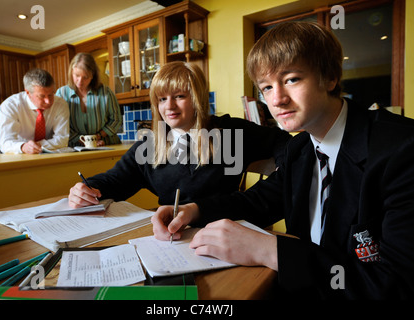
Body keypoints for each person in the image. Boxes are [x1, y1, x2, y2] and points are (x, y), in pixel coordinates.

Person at [152, 22, 414, 299]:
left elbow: (397, 283)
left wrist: (267, 249)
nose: (277, 99)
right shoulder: (299, 149)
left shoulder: (402, 149)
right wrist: (194, 210)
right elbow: (258, 202)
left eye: (291, 79)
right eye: (266, 87)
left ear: (329, 77)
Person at [68, 61, 291, 210]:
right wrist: (86, 188)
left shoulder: (229, 132)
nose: (169, 107)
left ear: (197, 97)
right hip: (169, 235)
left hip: (222, 230)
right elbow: (115, 180)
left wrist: (283, 168)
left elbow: (284, 142)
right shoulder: (151, 145)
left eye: (179, 96)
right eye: (162, 99)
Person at [56, 52, 122, 147]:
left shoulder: (106, 92)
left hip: (106, 144)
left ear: (92, 75)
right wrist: (82, 140)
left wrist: (97, 137)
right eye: (76, 75)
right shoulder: (61, 94)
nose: (80, 81)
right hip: (74, 147)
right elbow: (60, 124)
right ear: (71, 72)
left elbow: (116, 120)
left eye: (85, 77)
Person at [0, 68, 69, 154]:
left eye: (51, 94)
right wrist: (23, 147)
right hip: (19, 156)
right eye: (42, 96)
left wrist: (37, 145)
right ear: (28, 93)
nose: (48, 101)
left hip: (49, 155)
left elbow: (62, 139)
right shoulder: (10, 106)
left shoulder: (60, 104)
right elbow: (5, 143)